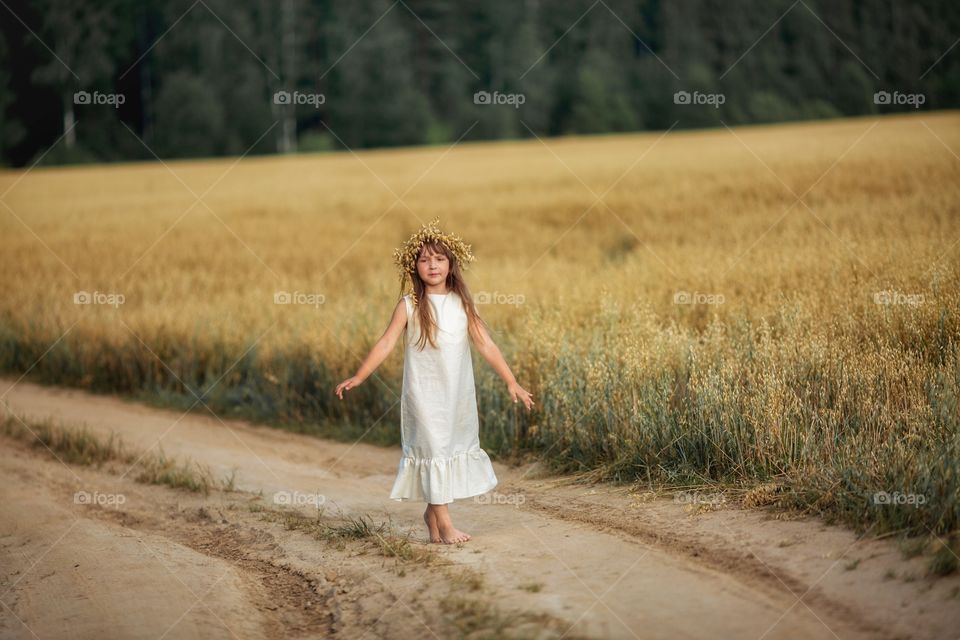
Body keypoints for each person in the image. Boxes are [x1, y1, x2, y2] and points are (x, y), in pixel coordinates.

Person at [335, 218, 534, 544]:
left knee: (444, 449)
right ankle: (445, 523)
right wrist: (359, 375)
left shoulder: (462, 304)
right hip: (423, 396)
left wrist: (511, 381)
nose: (432, 265)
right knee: (434, 448)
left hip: (455, 396)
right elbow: (385, 343)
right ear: (414, 266)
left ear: (451, 264)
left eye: (439, 259)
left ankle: (432, 514)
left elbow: (485, 343)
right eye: (424, 259)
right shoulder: (410, 305)